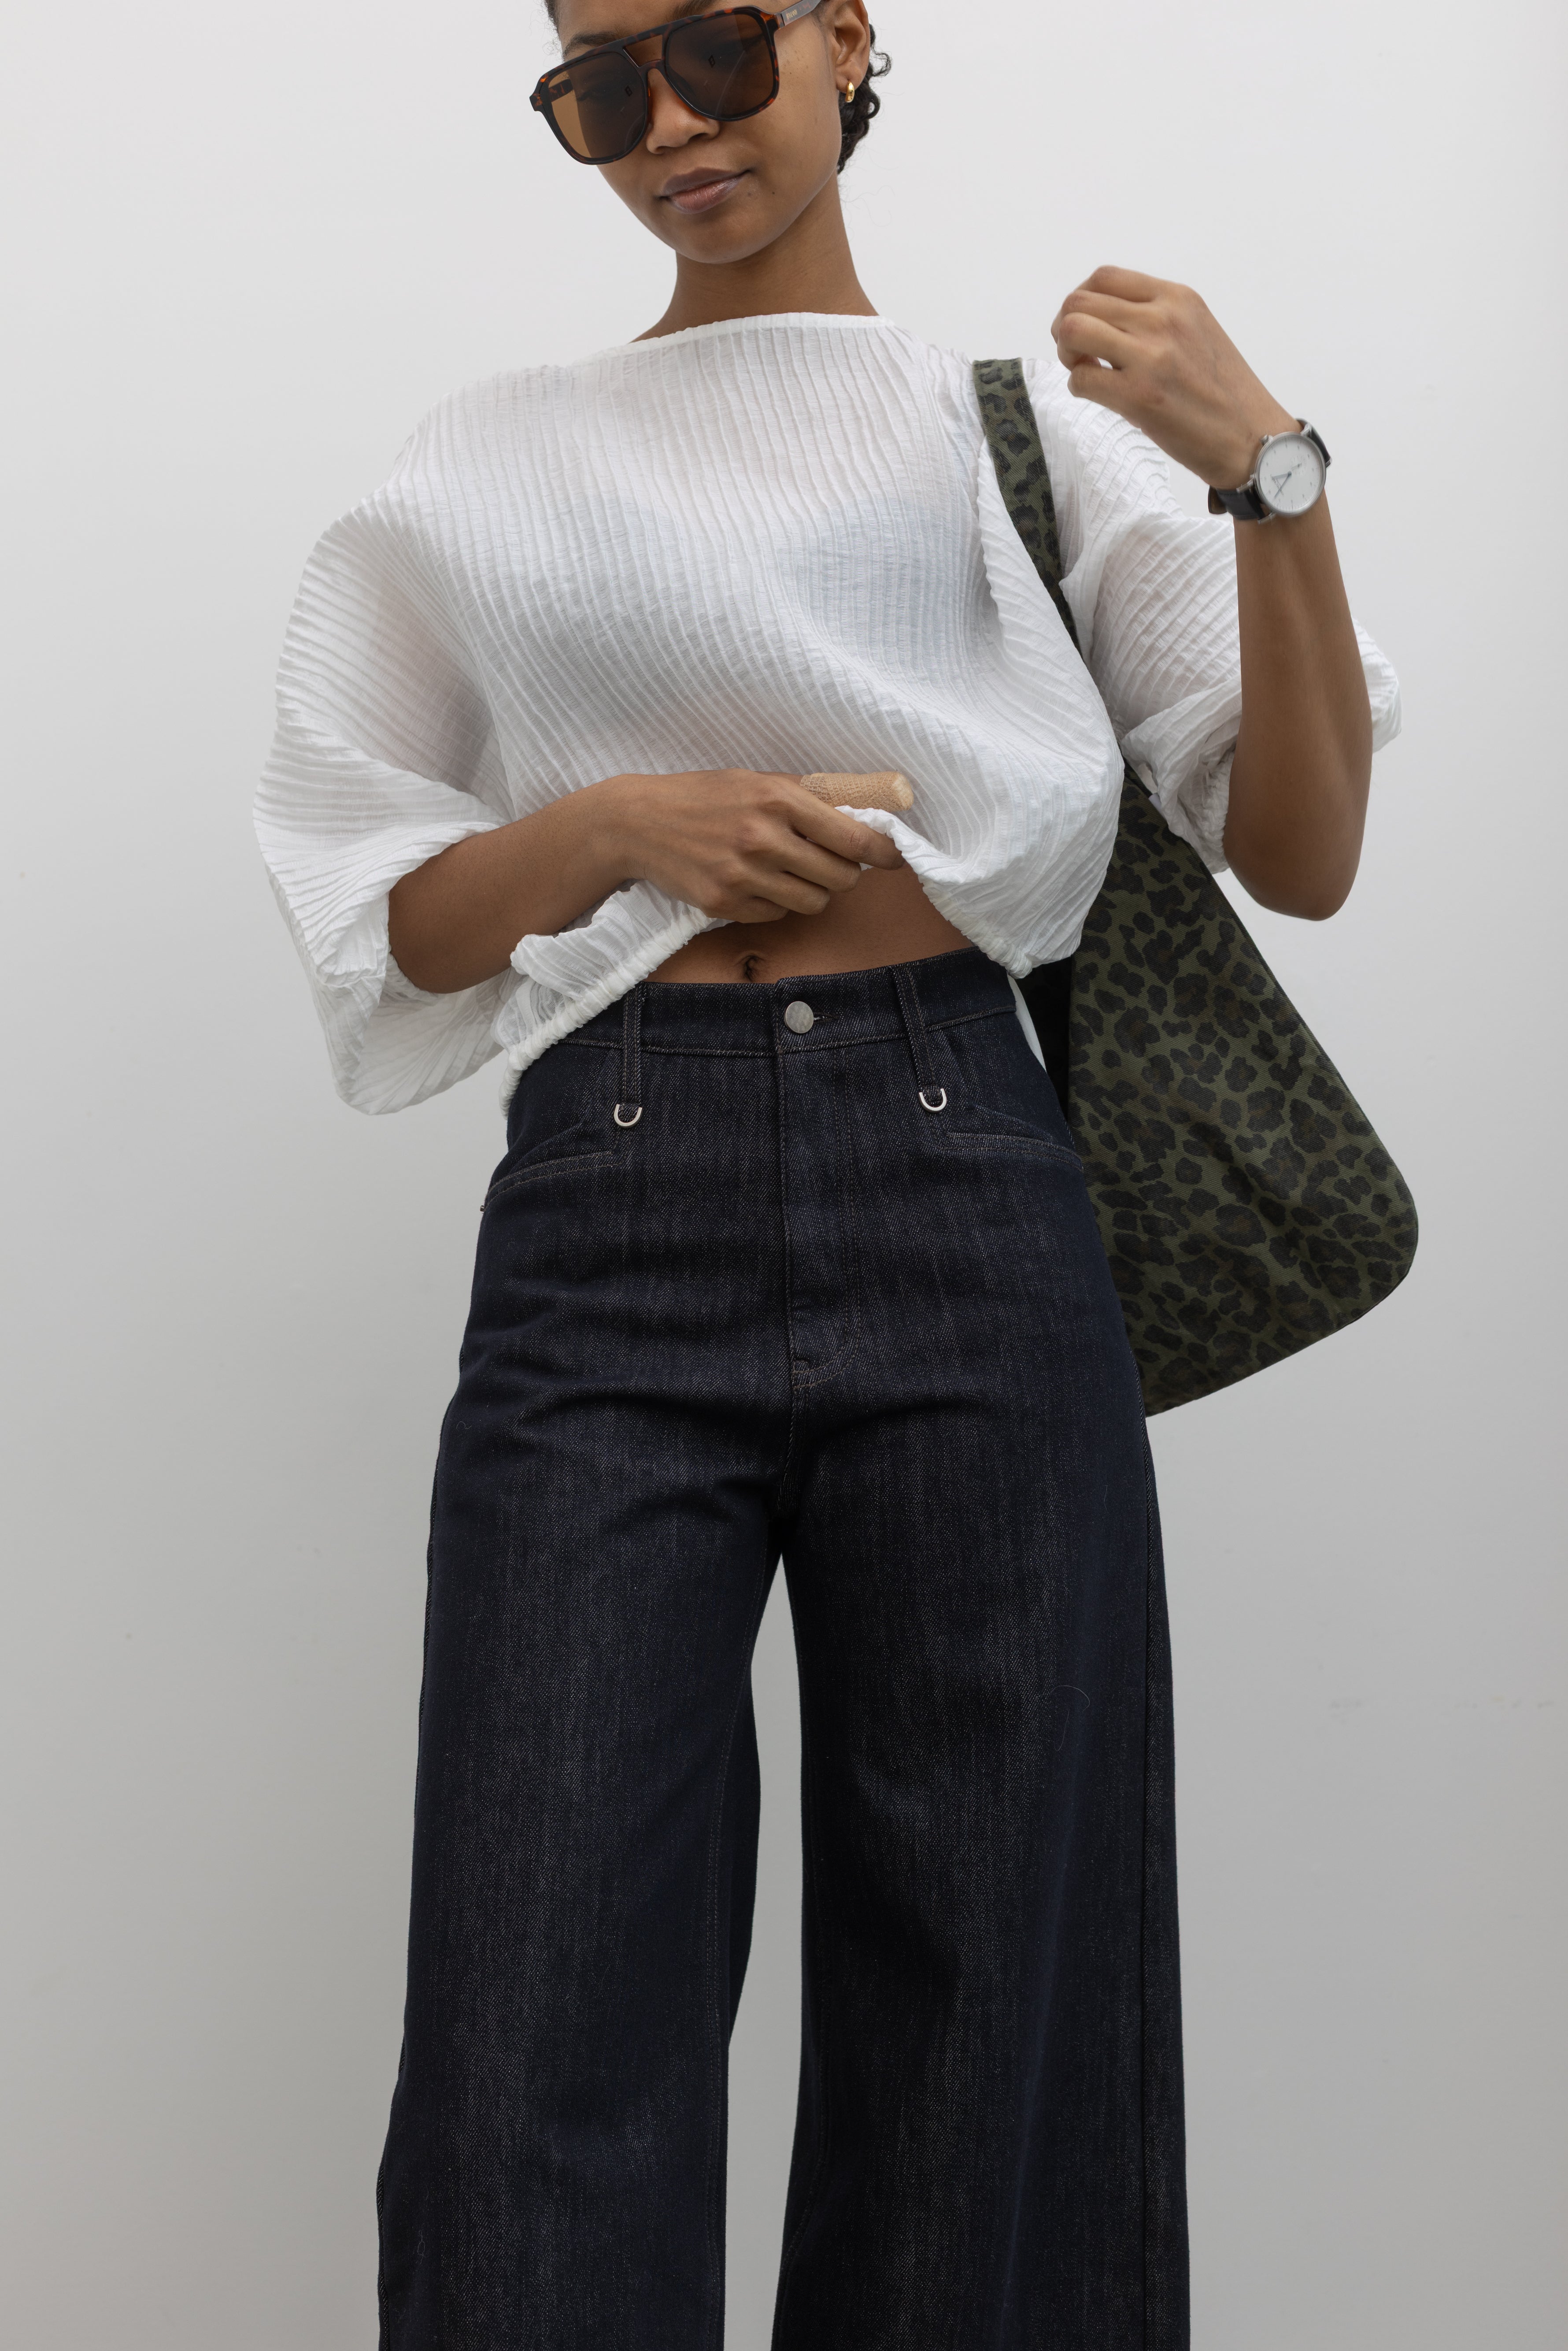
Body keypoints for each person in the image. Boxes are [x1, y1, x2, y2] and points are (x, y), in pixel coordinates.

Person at [255, 4, 1400, 2343]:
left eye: (708, 47)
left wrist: (1262, 473)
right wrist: (592, 833)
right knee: (529, 1988)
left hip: (964, 1178)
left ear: (842, 36)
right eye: (598, 86)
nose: (665, 123)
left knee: (998, 1980)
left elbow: (1296, 847)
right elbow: (380, 907)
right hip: (609, 1207)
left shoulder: (1007, 426)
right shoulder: (482, 460)